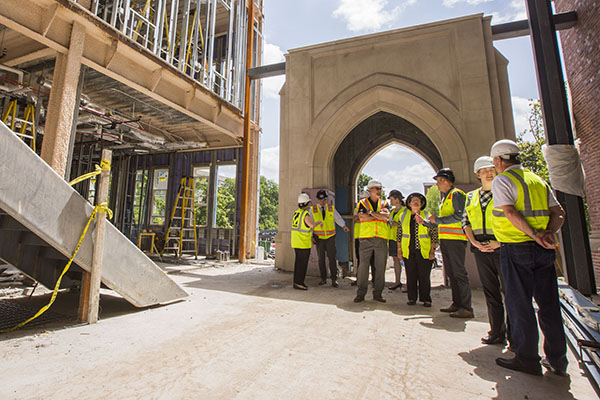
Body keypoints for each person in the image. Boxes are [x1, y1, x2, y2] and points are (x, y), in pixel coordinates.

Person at [490, 139, 568, 377]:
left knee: (520, 303)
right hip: (543, 249)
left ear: (498, 160)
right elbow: (559, 213)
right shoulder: (537, 180)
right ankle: (557, 361)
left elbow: (510, 212)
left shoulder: (503, 180)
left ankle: (527, 358)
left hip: (516, 248)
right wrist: (547, 235)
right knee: (549, 305)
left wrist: (534, 234)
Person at [463, 156, 510, 345]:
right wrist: (474, 242)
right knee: (491, 292)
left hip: (502, 247)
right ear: (478, 174)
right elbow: (466, 221)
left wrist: (500, 242)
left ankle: (514, 335)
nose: (489, 173)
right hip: (481, 249)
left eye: (491, 169)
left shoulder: (504, 192)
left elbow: (511, 218)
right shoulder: (471, 197)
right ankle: (496, 332)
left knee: (509, 292)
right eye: (484, 171)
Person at [417, 168, 473, 318]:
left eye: (439, 181)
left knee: (459, 273)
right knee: (452, 273)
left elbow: (459, 216)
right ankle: (457, 303)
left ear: (446, 180)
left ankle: (466, 307)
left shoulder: (456, 194)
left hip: (456, 240)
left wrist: (438, 220)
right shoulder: (446, 198)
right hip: (447, 240)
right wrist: (426, 223)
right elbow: (440, 223)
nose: (438, 184)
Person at [354, 179, 390, 303]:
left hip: (381, 238)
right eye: (377, 188)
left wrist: (371, 214)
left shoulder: (385, 203)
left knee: (380, 267)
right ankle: (361, 293)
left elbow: (386, 216)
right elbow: (361, 216)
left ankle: (378, 293)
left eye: (380, 188)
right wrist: (378, 215)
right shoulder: (362, 203)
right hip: (365, 238)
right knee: (363, 267)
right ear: (370, 190)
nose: (380, 191)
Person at [398, 193, 437, 307]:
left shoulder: (427, 215)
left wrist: (432, 251)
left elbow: (434, 234)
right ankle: (412, 298)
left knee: (424, 276)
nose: (415, 202)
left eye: (418, 201)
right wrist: (399, 250)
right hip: (408, 250)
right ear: (409, 203)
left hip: (424, 250)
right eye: (413, 200)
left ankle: (426, 299)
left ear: (422, 204)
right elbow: (399, 234)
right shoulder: (403, 216)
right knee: (410, 275)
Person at [310, 189, 350, 287]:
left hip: (330, 237)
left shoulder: (331, 208)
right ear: (317, 200)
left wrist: (343, 226)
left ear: (326, 199)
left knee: (332, 258)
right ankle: (323, 278)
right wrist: (311, 236)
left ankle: (334, 279)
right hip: (319, 238)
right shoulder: (313, 209)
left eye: (324, 199)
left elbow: (337, 218)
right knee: (321, 259)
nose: (322, 201)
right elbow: (310, 224)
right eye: (320, 200)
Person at [291, 193, 323, 290]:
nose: (310, 204)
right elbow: (311, 225)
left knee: (298, 263)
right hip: (303, 243)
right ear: (306, 203)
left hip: (296, 242)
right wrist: (319, 222)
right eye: (309, 202)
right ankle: (299, 283)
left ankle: (297, 282)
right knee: (302, 264)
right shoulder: (305, 214)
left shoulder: (296, 213)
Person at [351, 190, 374, 286]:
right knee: (359, 259)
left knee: (373, 259)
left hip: (370, 236)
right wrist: (366, 217)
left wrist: (366, 216)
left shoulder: (373, 208)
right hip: (359, 236)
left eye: (363, 198)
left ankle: (374, 280)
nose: (362, 200)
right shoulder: (357, 208)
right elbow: (355, 218)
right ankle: (359, 279)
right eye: (360, 198)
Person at [388, 190, 406, 291]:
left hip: (402, 239)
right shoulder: (392, 211)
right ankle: (397, 281)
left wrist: (397, 224)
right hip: (392, 238)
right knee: (395, 260)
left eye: (391, 199)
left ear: (397, 199)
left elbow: (406, 224)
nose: (390, 202)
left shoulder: (405, 211)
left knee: (406, 261)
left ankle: (409, 283)